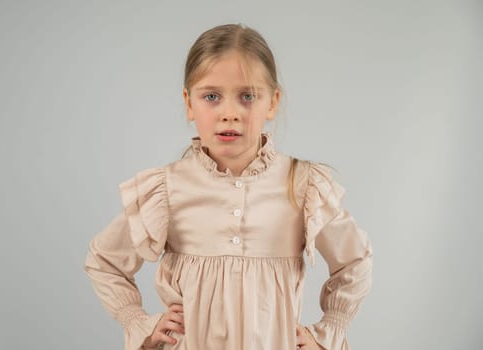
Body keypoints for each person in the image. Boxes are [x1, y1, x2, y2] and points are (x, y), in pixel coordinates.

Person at [84, 23, 373, 350]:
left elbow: (355, 261)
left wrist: (328, 331)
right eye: (211, 97)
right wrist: (137, 322)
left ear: (272, 102)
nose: (230, 113)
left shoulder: (302, 185)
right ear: (189, 103)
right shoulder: (167, 187)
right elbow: (104, 260)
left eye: (247, 96)